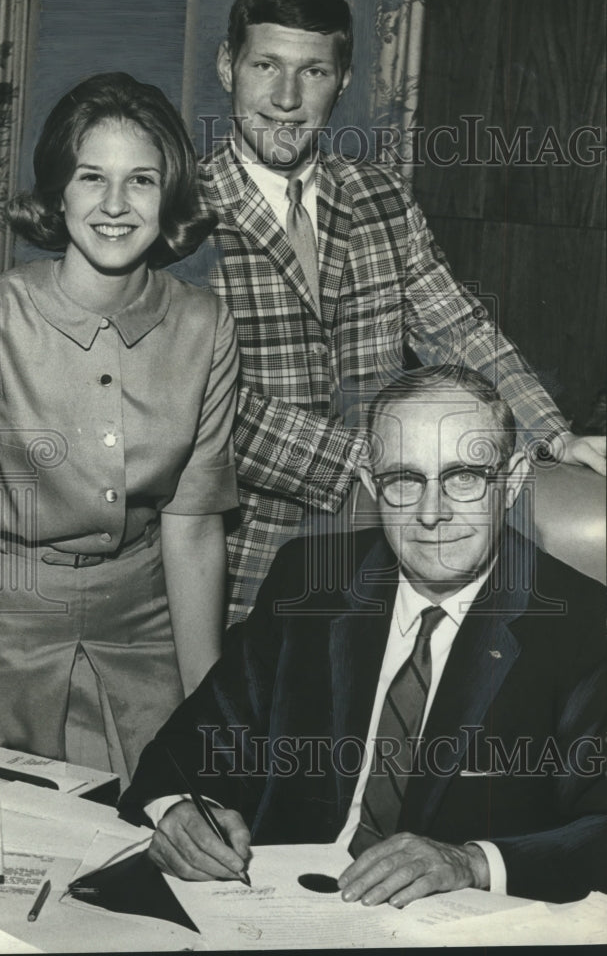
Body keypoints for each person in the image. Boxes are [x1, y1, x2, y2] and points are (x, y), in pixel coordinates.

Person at [172, 0, 606, 625]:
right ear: (227, 65)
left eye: (312, 72)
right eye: (266, 65)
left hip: (387, 564)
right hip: (233, 568)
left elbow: (457, 329)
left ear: (341, 81)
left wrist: (552, 435)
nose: (286, 98)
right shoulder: (177, 214)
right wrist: (379, 465)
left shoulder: (379, 196)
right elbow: (195, 401)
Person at [118, 365, 607, 905]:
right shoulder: (307, 583)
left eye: (464, 477)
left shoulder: (585, 625)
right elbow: (196, 741)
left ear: (512, 482)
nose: (432, 513)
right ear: (374, 487)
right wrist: (181, 808)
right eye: (404, 480)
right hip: (273, 909)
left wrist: (471, 862)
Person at [0, 73, 239, 787]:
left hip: (148, 631)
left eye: (143, 181)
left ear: (170, 197)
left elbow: (192, 534)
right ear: (58, 191)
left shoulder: (206, 324)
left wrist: (210, 721)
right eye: (92, 176)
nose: (116, 205)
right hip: (4, 635)